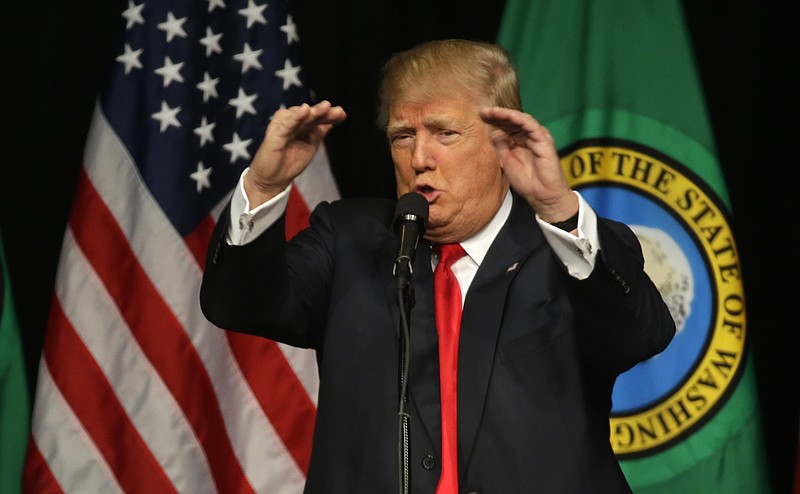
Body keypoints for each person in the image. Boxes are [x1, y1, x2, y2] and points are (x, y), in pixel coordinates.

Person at [200, 39, 676, 493]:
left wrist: (559, 210)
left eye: (445, 133)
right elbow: (237, 304)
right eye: (402, 136)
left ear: (503, 141)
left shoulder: (570, 249)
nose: (420, 159)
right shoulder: (348, 240)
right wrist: (262, 188)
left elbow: (641, 336)